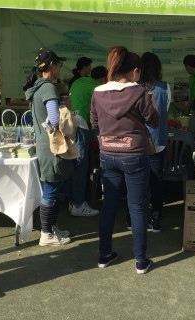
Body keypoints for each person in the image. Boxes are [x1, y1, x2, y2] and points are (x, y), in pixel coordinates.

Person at [90, 46, 160, 274]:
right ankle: (141, 261)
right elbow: (154, 121)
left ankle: (104, 255)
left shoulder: (97, 92)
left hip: (107, 155)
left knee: (109, 206)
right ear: (135, 71)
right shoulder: (139, 92)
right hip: (134, 155)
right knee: (137, 208)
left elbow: (94, 123)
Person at [24, 48, 72, 246]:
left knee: (53, 189)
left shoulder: (36, 87)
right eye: (59, 64)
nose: (60, 68)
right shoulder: (48, 88)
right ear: (52, 65)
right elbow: (54, 119)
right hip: (53, 147)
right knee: (51, 191)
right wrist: (66, 109)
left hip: (44, 146)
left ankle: (51, 229)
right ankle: (46, 234)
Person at [67, 66, 107, 217]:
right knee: (80, 165)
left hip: (69, 124)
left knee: (73, 164)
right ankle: (79, 205)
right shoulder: (97, 88)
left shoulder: (79, 81)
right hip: (80, 126)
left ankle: (73, 202)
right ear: (103, 79)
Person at [140, 52, 171, 233]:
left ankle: (134, 218)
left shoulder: (133, 87)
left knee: (137, 180)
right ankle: (156, 219)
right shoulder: (164, 87)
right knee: (156, 180)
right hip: (157, 139)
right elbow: (165, 109)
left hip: (137, 140)